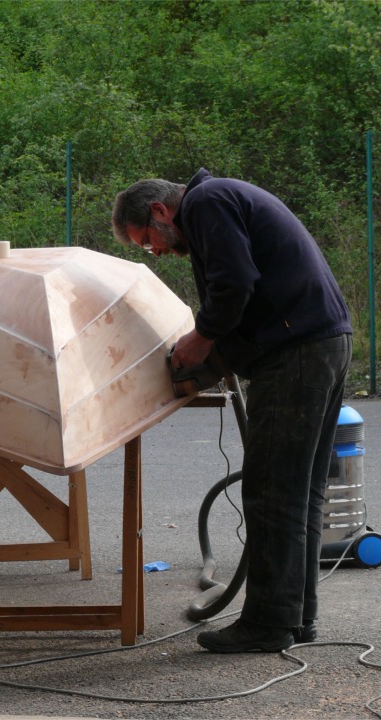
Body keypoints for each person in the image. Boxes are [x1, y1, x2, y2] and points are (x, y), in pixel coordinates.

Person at [112, 169, 352, 653]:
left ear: (160, 211)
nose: (155, 252)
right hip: (321, 342)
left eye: (146, 241)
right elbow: (245, 288)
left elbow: (235, 283)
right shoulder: (223, 199)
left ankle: (266, 624)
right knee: (300, 492)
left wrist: (200, 339)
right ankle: (295, 617)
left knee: (271, 494)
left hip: (296, 352)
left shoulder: (207, 203)